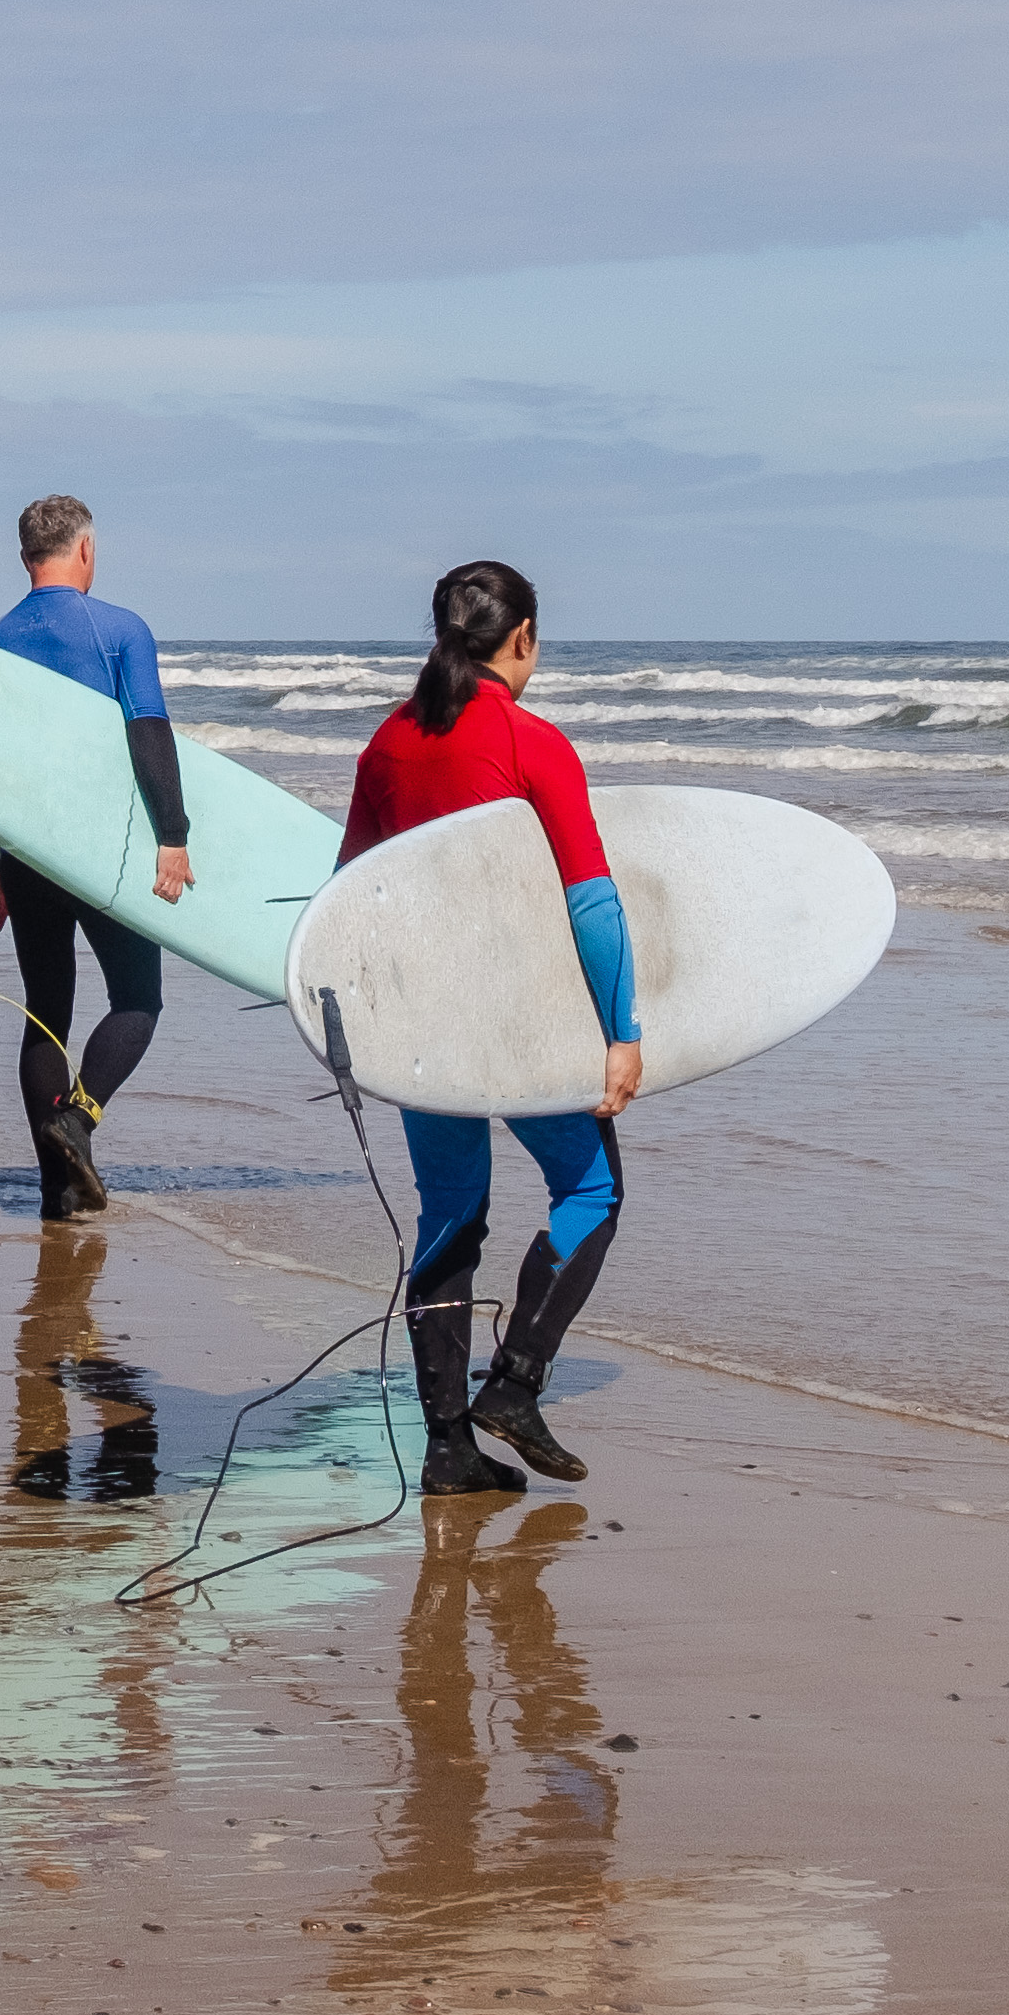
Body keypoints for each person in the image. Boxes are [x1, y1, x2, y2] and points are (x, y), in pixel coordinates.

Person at [338, 555, 638, 1498]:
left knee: (450, 1217)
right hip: (510, 1021)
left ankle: (445, 1451)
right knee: (592, 1187)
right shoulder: (531, 741)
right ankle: (513, 1384)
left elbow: (349, 893)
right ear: (524, 641)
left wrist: (357, 1025)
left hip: (424, 1024)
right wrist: (621, 1030)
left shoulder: (387, 744)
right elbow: (594, 903)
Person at [0, 493, 194, 1219]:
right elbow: (148, 735)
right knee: (138, 999)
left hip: (26, 855)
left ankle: (57, 1192)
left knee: (45, 1015)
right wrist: (174, 835)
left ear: (26, 556)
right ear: (84, 550)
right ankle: (80, 1117)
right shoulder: (121, 629)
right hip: (102, 854)